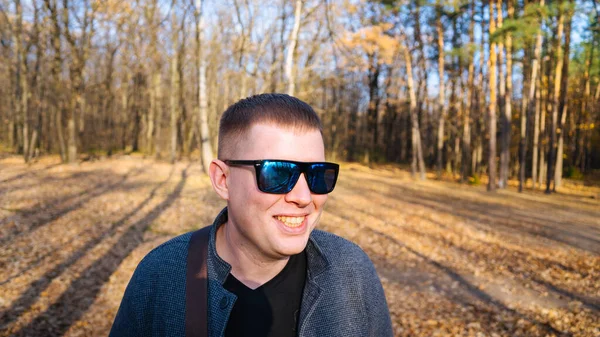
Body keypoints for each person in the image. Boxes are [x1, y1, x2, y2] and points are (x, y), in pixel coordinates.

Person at [109, 93, 393, 337]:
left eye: (318, 175)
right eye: (278, 173)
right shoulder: (161, 275)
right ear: (223, 179)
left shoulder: (351, 272)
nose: (304, 197)